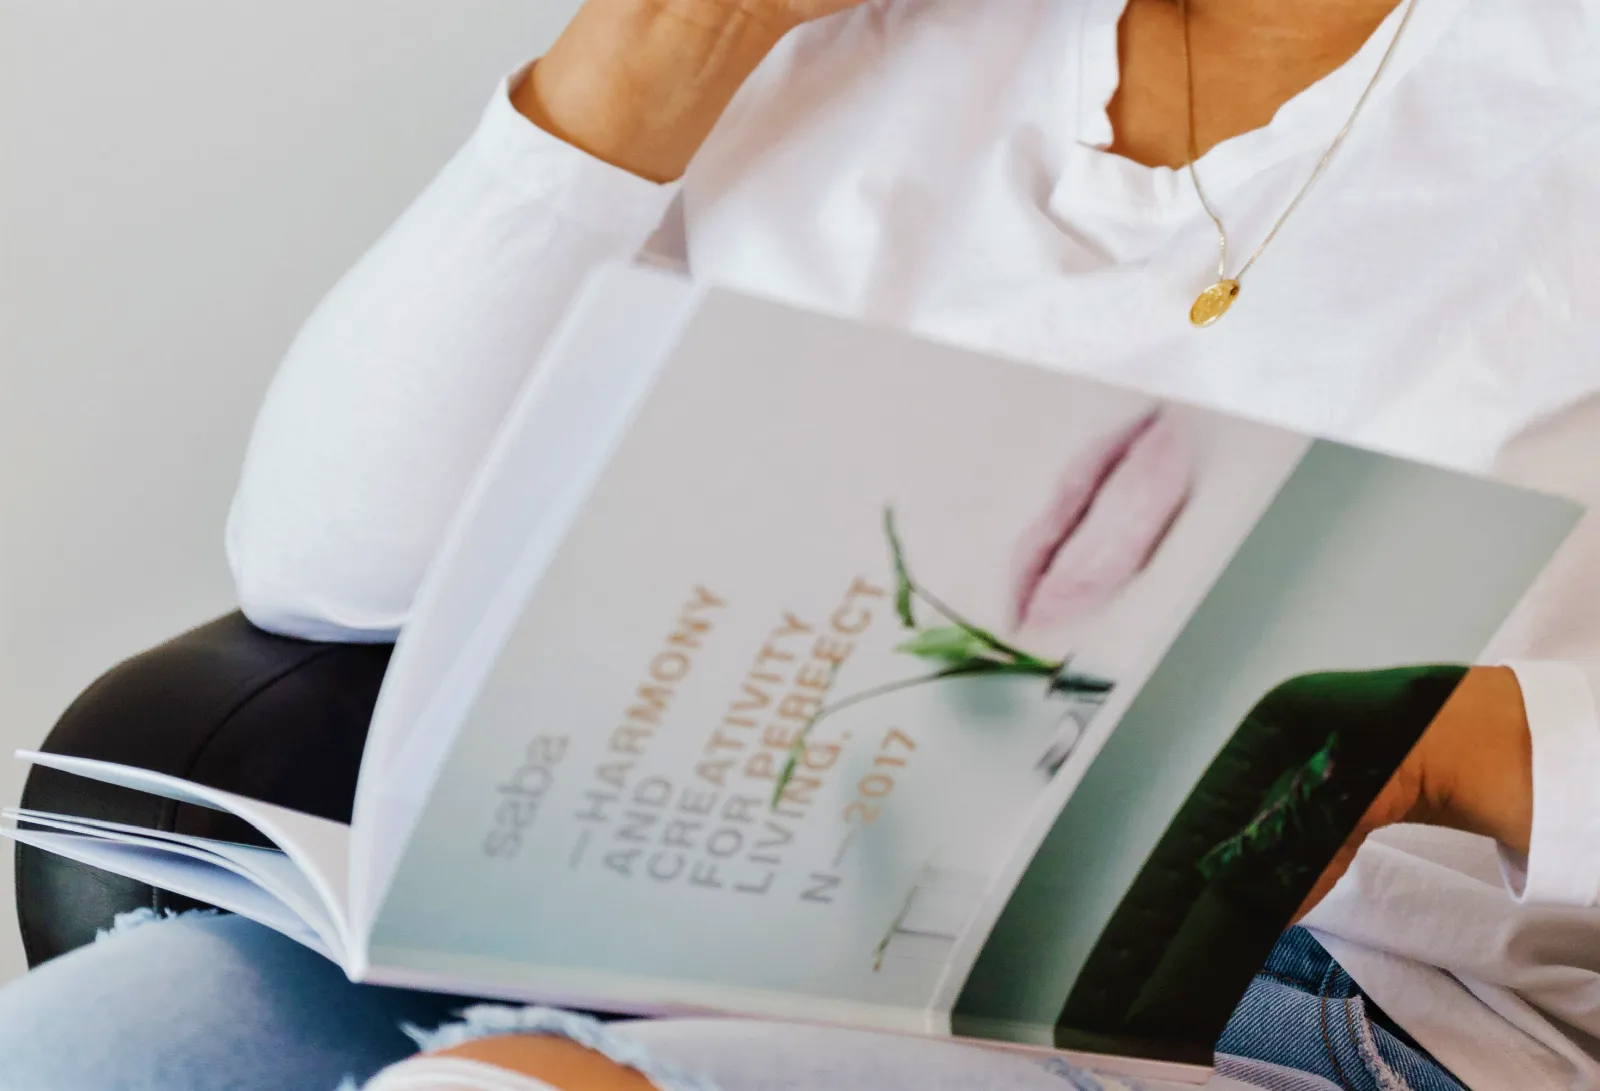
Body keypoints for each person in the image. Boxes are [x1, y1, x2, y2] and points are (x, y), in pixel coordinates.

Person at [3, 0, 1599, 1087]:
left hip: (1311, 1005)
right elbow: (329, 565)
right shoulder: (847, 50)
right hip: (742, 926)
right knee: (93, 1048)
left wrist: (1453, 746)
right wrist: (669, 41)